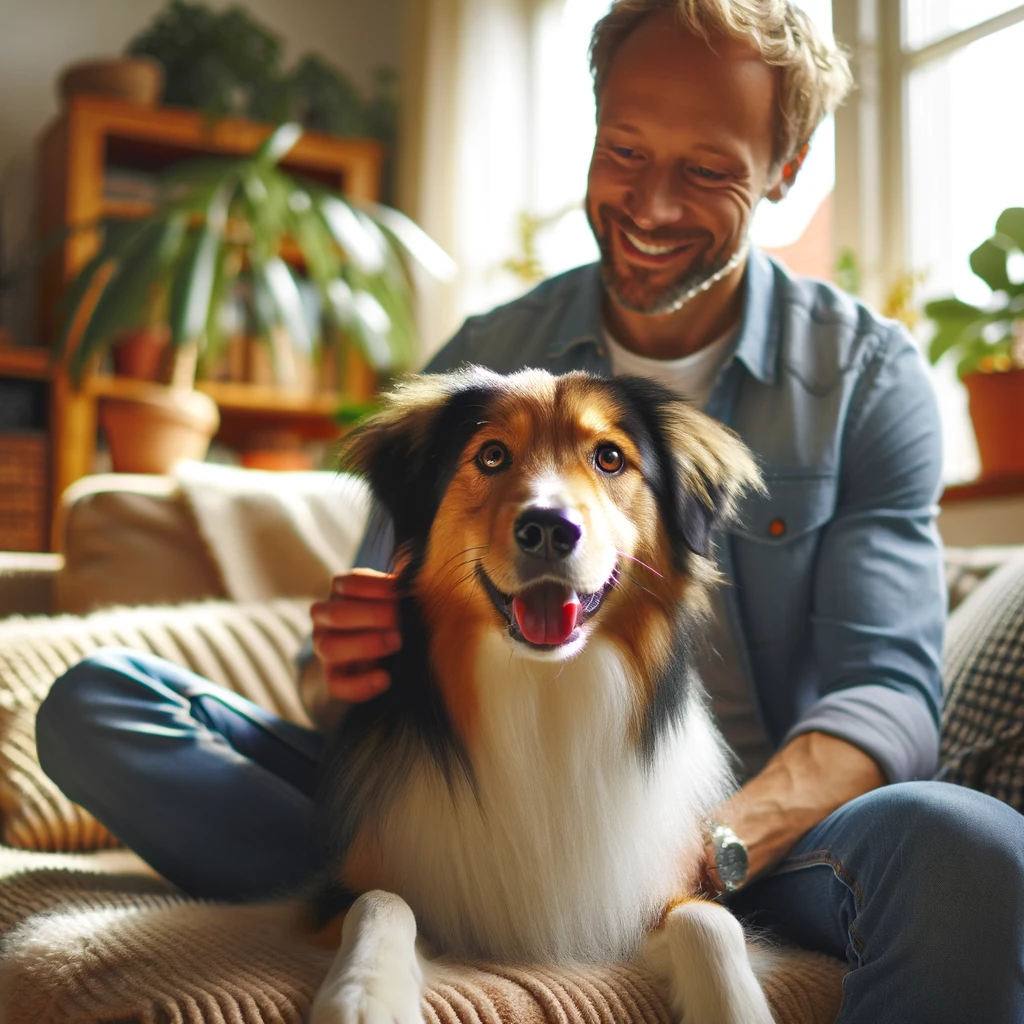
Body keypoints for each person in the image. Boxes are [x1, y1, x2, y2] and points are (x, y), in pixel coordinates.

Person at [37, 2, 1024, 1022]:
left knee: (968, 846)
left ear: (786, 164)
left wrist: (709, 847)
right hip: (459, 803)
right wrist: (343, 658)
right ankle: (431, 890)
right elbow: (361, 642)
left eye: (706, 169)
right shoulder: (484, 351)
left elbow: (889, 698)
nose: (648, 203)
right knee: (96, 707)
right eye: (625, 149)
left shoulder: (865, 377)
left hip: (742, 843)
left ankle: (491, 900)